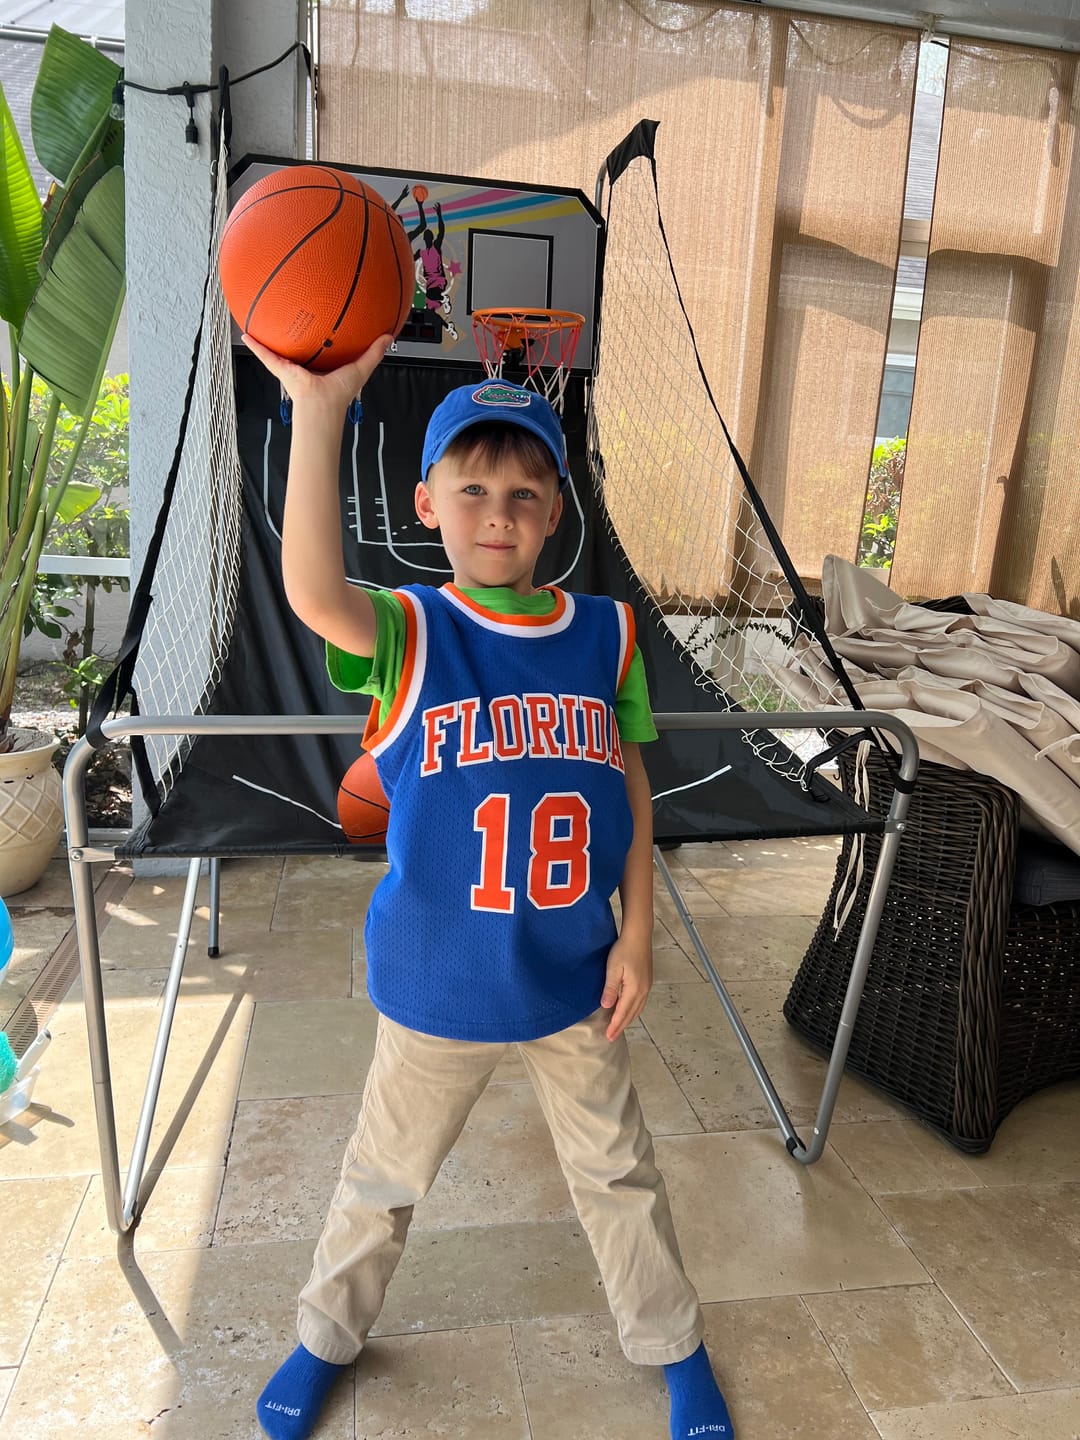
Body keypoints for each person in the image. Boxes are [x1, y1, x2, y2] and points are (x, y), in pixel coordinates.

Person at [243, 330, 735, 1440]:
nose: (497, 514)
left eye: (522, 493)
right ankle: (325, 1334)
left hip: (573, 973)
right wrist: (319, 411)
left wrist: (638, 932)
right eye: (471, 490)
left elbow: (631, 783)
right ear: (427, 504)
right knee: (384, 1176)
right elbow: (312, 588)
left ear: (556, 510)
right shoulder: (409, 629)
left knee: (620, 1174)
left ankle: (674, 1345)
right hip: (440, 977)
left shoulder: (605, 634)